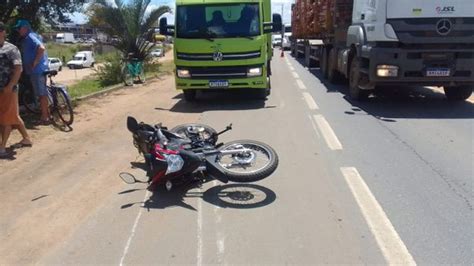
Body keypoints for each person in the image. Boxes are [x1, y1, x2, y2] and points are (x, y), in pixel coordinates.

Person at [0, 22, 32, 157]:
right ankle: (26, 138)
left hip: (8, 89)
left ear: (2, 32)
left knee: (6, 118)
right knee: (11, 116)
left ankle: (2, 148)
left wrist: (10, 86)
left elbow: (18, 68)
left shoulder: (11, 49)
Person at [14, 19, 50, 124]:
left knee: (41, 94)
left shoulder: (30, 37)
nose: (18, 30)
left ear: (25, 28)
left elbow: (41, 48)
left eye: (19, 28)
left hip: (37, 70)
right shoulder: (30, 37)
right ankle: (47, 113)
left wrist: (35, 62)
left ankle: (45, 117)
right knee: (42, 93)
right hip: (37, 70)